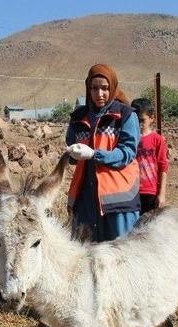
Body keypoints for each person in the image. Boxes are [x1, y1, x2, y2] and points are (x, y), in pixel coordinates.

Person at [65, 64, 140, 242]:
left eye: (105, 88)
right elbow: (71, 145)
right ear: (88, 88)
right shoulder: (78, 118)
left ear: (112, 87)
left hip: (118, 200)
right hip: (85, 198)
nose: (99, 94)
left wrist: (94, 154)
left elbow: (127, 153)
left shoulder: (125, 115)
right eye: (94, 88)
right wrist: (73, 154)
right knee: (86, 251)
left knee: (121, 252)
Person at [131, 98, 169, 214]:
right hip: (130, 190)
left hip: (149, 191)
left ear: (152, 118)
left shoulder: (157, 140)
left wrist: (161, 194)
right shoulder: (128, 138)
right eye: (135, 120)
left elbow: (163, 167)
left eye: (142, 120)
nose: (139, 124)